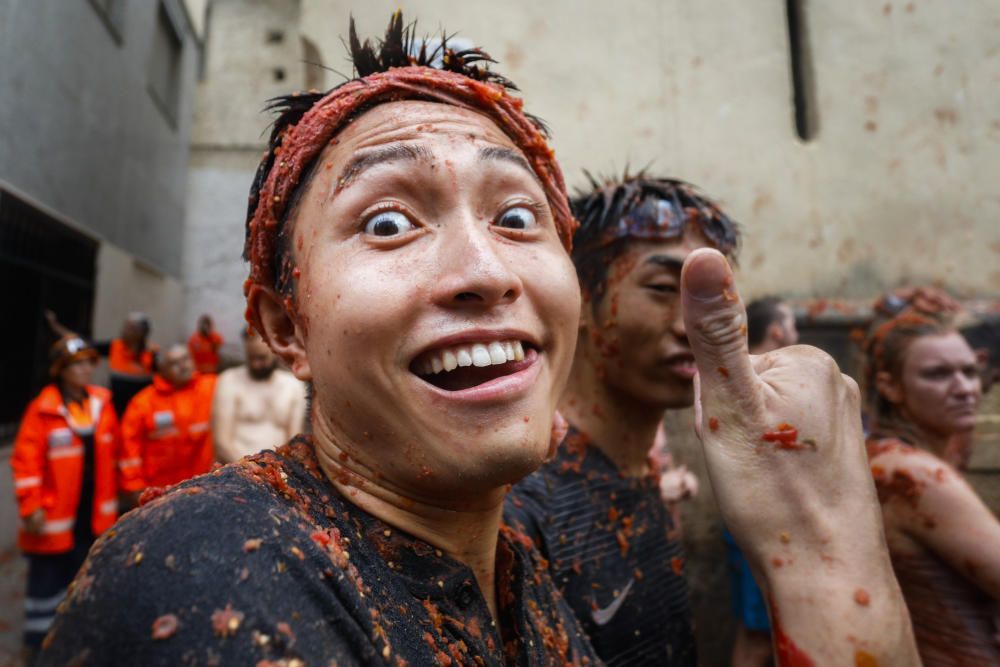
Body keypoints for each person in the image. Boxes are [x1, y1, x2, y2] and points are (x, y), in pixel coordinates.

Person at [41, 15, 915, 665]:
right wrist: (830, 560)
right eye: (386, 221)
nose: (485, 270)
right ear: (284, 326)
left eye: (516, 216)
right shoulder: (210, 577)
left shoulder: (514, 567)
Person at [505, 176, 915, 665]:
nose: (691, 325)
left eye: (713, 293)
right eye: (662, 289)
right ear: (576, 298)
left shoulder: (642, 472)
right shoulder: (521, 502)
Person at [865, 313, 1000, 664]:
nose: (964, 388)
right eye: (938, 374)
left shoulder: (879, 456)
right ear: (889, 386)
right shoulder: (916, 474)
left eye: (969, 372)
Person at [10, 335, 141, 659]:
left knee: (84, 576)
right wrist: (31, 506)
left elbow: (121, 451)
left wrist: (132, 489)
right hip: (54, 518)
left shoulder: (101, 403)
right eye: (76, 365)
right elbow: (25, 462)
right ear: (60, 371)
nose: (85, 370)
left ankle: (75, 638)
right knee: (46, 583)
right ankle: (37, 646)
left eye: (87, 363)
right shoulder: (42, 410)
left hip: (93, 514)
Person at [726, 296, 800, 667]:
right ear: (777, 331)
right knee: (759, 635)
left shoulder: (739, 372)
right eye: (793, 326)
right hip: (765, 518)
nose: (796, 335)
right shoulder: (761, 378)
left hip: (762, 516)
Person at [120, 344, 216, 490]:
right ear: (162, 370)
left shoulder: (213, 386)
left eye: (186, 359)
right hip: (161, 489)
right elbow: (129, 448)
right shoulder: (143, 403)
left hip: (206, 484)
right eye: (174, 363)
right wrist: (134, 487)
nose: (183, 366)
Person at [211, 327, 307, 463]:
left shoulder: (293, 386)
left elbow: (294, 441)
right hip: (233, 468)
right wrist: (248, 471)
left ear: (275, 351)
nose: (256, 364)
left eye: (262, 358)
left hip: (277, 471)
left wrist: (279, 473)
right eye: (251, 358)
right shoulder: (229, 380)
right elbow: (221, 444)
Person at [46, 309, 159, 417]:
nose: (124, 330)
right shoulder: (115, 346)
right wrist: (56, 327)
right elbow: (84, 343)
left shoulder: (151, 352)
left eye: (131, 328)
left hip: (140, 409)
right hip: (116, 407)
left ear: (141, 332)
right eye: (125, 326)